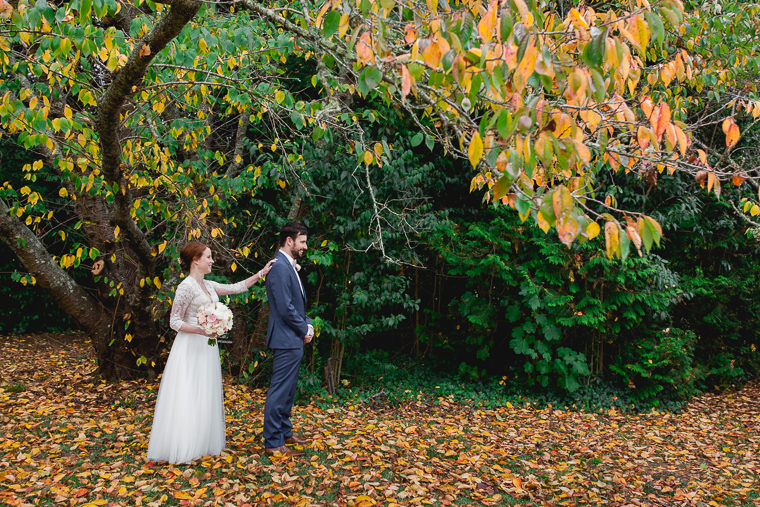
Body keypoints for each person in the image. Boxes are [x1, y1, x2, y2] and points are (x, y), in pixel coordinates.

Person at [147, 241, 276, 464]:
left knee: (204, 392)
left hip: (207, 348)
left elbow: (237, 287)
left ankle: (203, 442)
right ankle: (184, 446)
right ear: (195, 260)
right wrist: (202, 329)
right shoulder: (186, 287)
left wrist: (261, 273)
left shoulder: (208, 285)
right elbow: (174, 321)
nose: (212, 261)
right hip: (189, 347)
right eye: (208, 257)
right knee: (189, 393)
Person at [263, 221, 314, 457]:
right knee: (279, 391)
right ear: (289, 241)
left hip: (291, 337)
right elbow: (285, 307)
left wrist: (307, 324)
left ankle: (284, 432)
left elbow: (296, 304)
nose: (305, 246)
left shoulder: (288, 265)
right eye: (302, 241)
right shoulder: (280, 267)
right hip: (285, 338)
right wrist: (304, 328)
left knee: (288, 390)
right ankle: (273, 443)